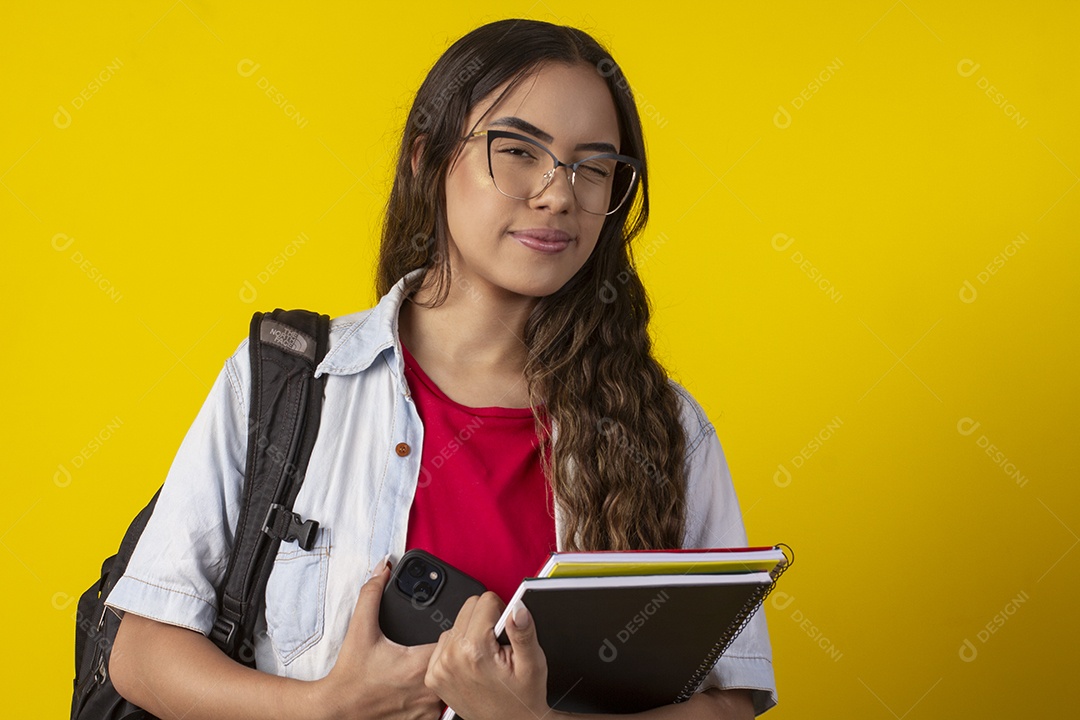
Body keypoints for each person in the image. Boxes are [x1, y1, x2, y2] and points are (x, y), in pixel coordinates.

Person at [107, 17, 777, 720]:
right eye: (517, 150)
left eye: (593, 167)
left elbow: (727, 702)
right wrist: (328, 707)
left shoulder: (667, 428)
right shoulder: (294, 381)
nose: (558, 194)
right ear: (428, 159)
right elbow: (142, 653)